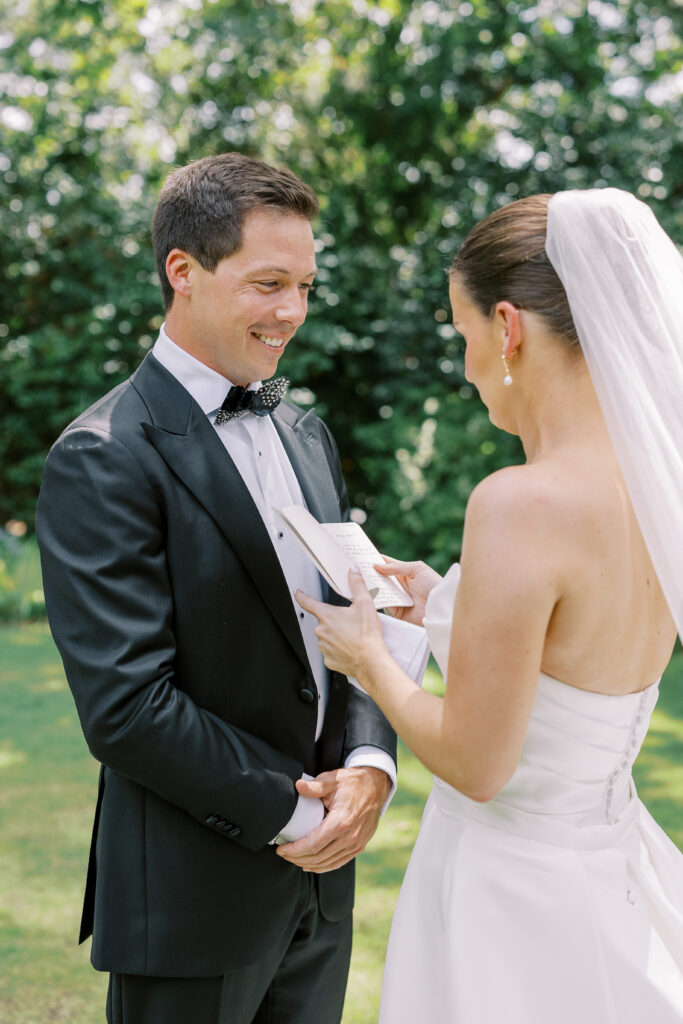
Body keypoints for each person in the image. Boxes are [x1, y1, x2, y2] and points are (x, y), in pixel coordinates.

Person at [294, 189, 683, 1021]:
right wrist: (443, 600)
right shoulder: (655, 494)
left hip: (511, 891)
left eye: (464, 335)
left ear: (507, 329)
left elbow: (476, 762)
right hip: (606, 867)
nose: (468, 365)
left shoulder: (520, 504)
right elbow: (570, 650)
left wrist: (368, 657)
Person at [35, 152, 397, 1024]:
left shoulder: (306, 434)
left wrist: (368, 765)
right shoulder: (103, 455)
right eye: (269, 283)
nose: (292, 313)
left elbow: (355, 618)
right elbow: (125, 706)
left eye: (305, 286)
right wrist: (294, 816)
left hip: (321, 900)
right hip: (192, 898)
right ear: (183, 272)